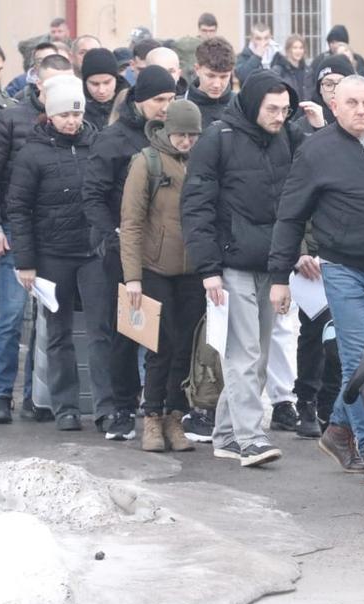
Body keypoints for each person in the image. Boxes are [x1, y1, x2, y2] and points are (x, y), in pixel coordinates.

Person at [269, 75, 364, 487]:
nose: (361, 110)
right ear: (334, 106)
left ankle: (337, 428)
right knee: (356, 360)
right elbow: (290, 215)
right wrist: (280, 276)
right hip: (342, 268)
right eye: (352, 103)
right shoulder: (315, 151)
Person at [181, 70, 311, 467]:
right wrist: (208, 269)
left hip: (272, 264)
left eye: (286, 110)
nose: (280, 116)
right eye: (272, 109)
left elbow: (312, 178)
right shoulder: (217, 139)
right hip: (231, 264)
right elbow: (196, 207)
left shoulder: (288, 136)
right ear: (254, 104)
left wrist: (319, 126)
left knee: (258, 355)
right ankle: (252, 438)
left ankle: (226, 435)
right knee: (243, 355)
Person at [0, 53, 77, 424]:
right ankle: (1, 395)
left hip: (57, 234)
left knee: (50, 321)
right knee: (10, 316)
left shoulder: (76, 120)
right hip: (14, 230)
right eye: (54, 84)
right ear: (38, 84)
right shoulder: (11, 118)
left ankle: (37, 398)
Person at [83, 64, 177, 441]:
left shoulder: (173, 136)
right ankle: (122, 407)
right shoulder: (113, 139)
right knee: (126, 331)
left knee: (165, 333)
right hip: (123, 251)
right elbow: (93, 196)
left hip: (164, 251)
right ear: (139, 101)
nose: (166, 106)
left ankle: (163, 406)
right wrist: (114, 234)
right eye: (159, 99)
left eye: (171, 98)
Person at [6, 75, 99, 431]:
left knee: (102, 330)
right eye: (64, 115)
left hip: (92, 252)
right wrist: (25, 261)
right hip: (52, 254)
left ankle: (107, 405)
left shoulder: (97, 145)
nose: (72, 121)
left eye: (76, 114)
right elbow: (19, 208)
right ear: (51, 115)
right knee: (58, 333)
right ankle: (66, 406)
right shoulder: (32, 153)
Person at [120, 99, 204, 450]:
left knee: (187, 347)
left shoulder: (202, 161)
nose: (186, 141)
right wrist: (133, 277)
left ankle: (175, 417)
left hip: (193, 270)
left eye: (192, 135)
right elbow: (131, 222)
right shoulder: (147, 162)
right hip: (155, 268)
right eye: (180, 135)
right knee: (160, 345)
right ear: (167, 131)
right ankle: (152, 417)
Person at [187, 37, 235, 128]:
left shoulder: (241, 106)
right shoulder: (180, 106)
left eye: (224, 77)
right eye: (210, 76)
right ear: (197, 69)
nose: (217, 84)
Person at [82, 48, 128, 131]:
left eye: (107, 82)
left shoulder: (131, 102)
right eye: (95, 84)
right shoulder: (77, 105)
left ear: (116, 78)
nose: (101, 90)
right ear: (85, 82)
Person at [235, 22, 282, 87]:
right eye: (258, 39)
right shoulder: (244, 55)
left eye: (266, 38)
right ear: (252, 39)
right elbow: (242, 76)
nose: (263, 42)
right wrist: (256, 57)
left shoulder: (276, 54)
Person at [271, 35, 311, 103]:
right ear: (288, 50)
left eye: (301, 48)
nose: (298, 51)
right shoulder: (279, 70)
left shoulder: (308, 71)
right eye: (295, 48)